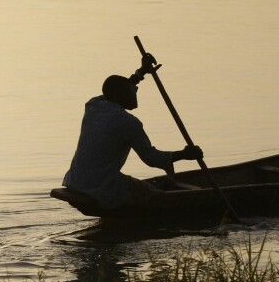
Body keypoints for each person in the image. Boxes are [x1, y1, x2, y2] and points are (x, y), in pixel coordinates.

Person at [63, 53, 203, 209]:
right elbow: (151, 158)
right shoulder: (128, 122)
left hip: (76, 180)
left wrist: (141, 73)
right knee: (153, 193)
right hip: (99, 186)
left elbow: (114, 90)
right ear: (121, 95)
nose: (135, 94)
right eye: (131, 91)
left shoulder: (93, 106)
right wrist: (184, 154)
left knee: (142, 186)